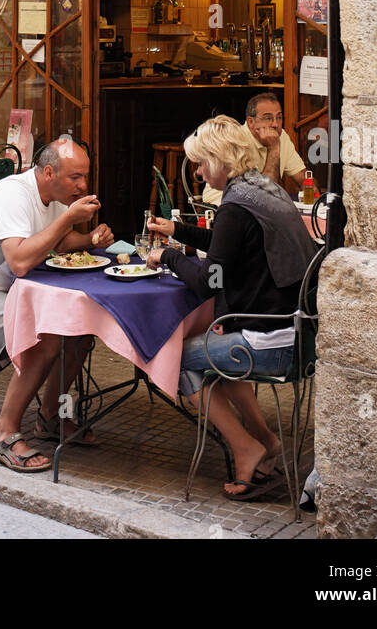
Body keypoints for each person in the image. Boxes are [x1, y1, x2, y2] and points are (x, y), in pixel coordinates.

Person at [147, 114, 316, 501]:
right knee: (213, 351)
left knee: (171, 361)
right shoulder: (261, 190)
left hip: (271, 343)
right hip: (296, 333)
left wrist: (168, 258)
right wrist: (178, 233)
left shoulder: (236, 205)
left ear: (220, 158)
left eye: (202, 163)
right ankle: (267, 442)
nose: (199, 173)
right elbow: (227, 245)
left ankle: (247, 447)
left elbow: (212, 279)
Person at [0, 135, 114, 472]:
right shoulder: (13, 193)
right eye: (75, 177)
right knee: (42, 338)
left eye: (85, 176)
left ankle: (51, 418)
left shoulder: (58, 196)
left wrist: (90, 239)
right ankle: (3, 435)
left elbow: (58, 244)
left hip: (5, 294)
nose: (83, 185)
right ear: (49, 172)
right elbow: (20, 260)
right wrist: (68, 219)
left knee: (78, 331)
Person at [202, 92, 305, 207]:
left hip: (253, 208)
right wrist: (274, 148)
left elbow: (303, 178)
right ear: (251, 122)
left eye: (279, 117)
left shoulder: (282, 137)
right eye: (268, 118)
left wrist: (317, 202)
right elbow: (264, 194)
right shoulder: (236, 141)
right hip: (222, 208)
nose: (275, 124)